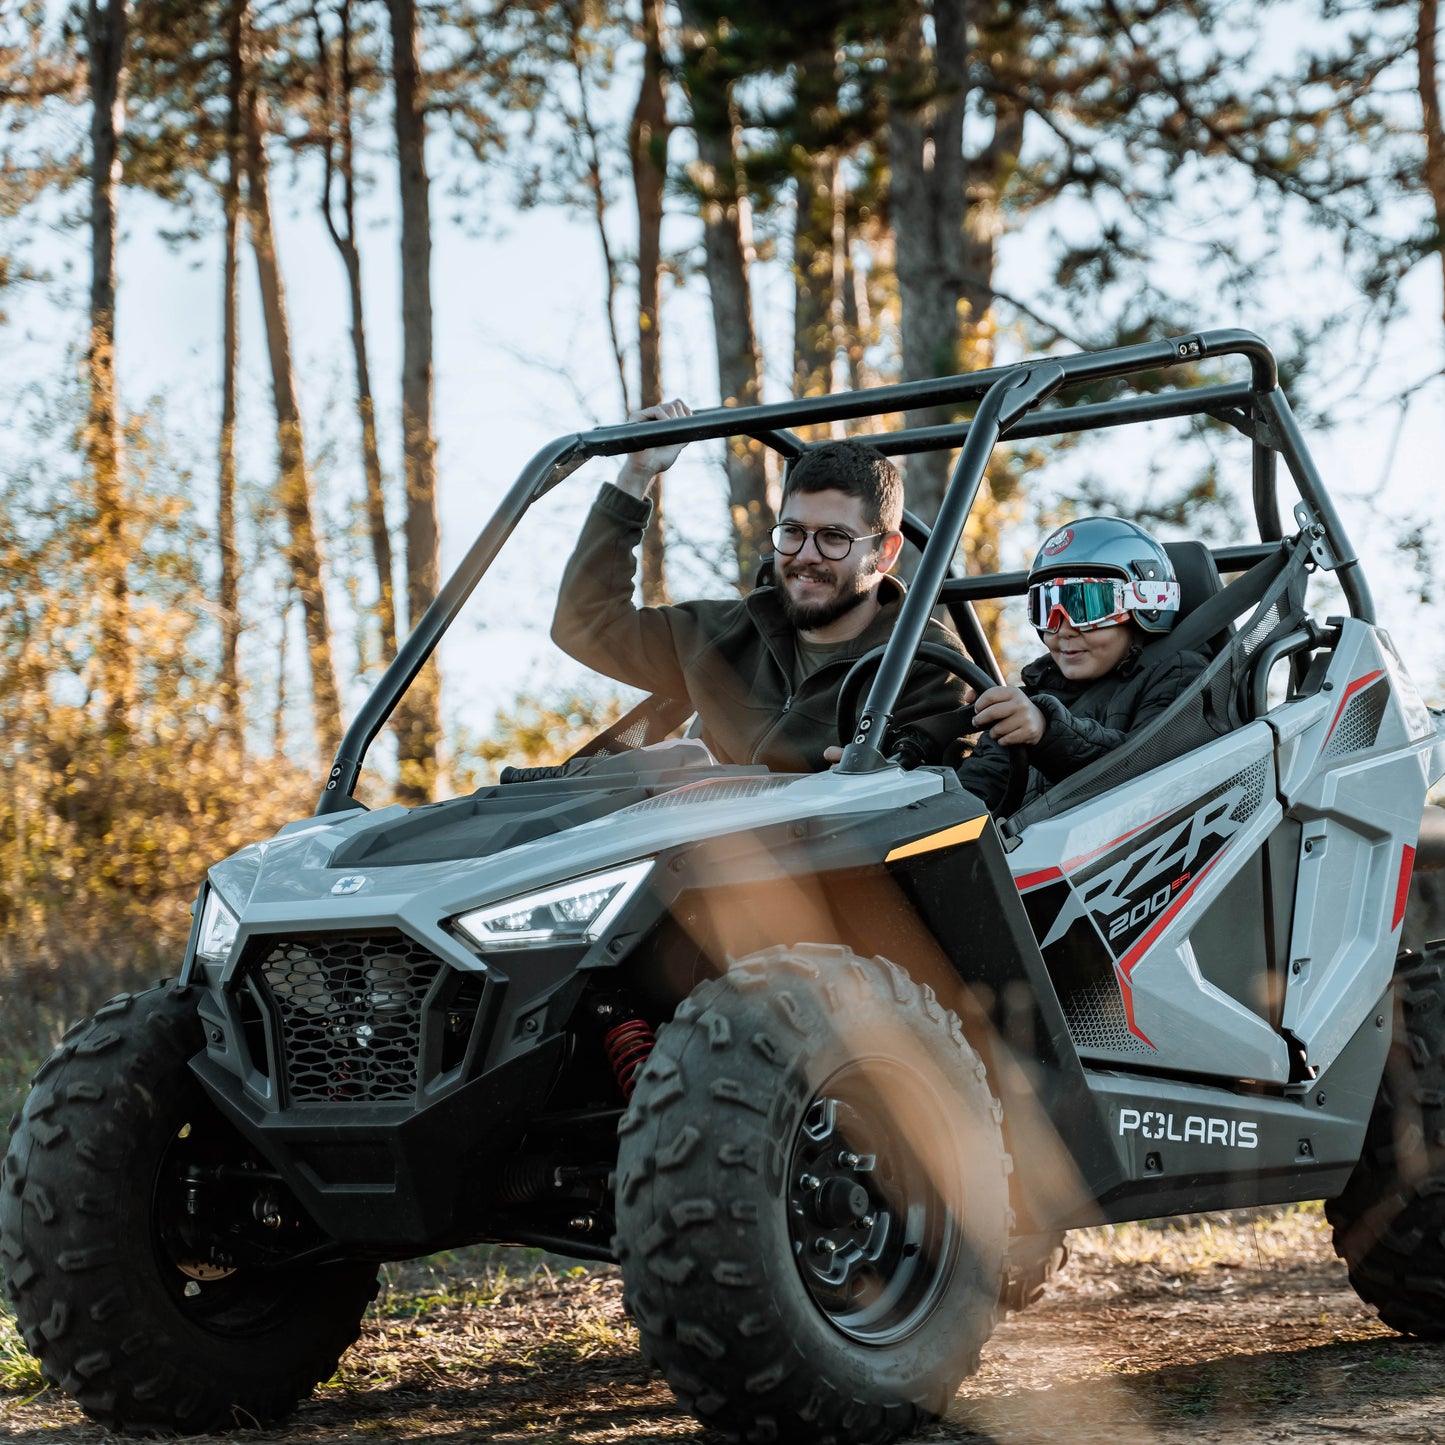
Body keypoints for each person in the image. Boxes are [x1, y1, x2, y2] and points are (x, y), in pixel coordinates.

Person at [551, 399, 970, 772]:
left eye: (834, 538)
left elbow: (938, 805)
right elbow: (586, 625)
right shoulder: (728, 632)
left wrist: (872, 780)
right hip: (691, 851)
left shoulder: (927, 666)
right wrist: (635, 473)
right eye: (793, 531)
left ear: (885, 552)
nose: (806, 555)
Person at [955, 516, 1212, 812]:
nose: (1063, 628)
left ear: (1148, 604)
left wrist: (1046, 732)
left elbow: (1147, 772)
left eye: (1086, 605)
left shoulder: (1179, 675)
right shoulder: (1034, 697)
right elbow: (973, 799)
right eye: (1047, 608)